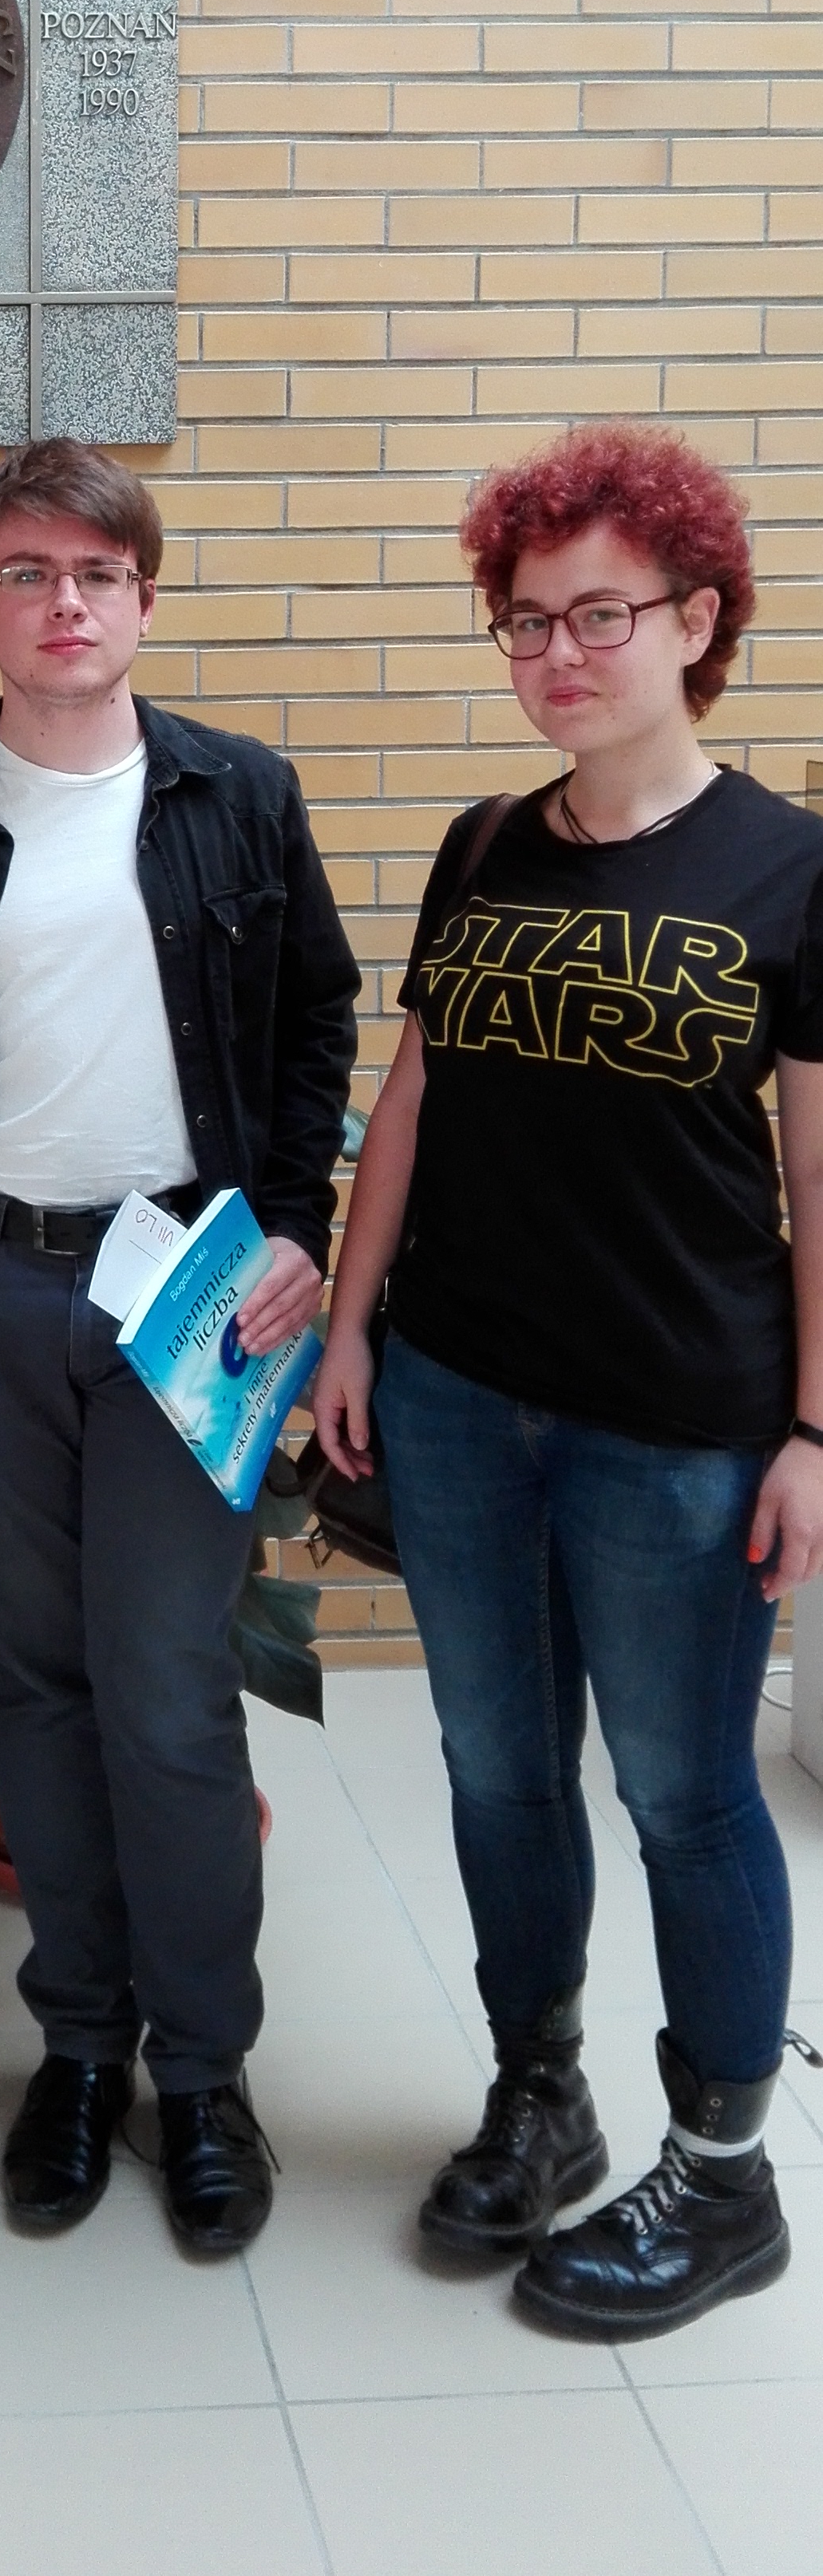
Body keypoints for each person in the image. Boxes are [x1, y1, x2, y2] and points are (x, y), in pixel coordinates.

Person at [312, 420, 823, 2340]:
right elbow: (411, 1099)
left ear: (695, 619)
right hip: (457, 1394)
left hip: (678, 1427)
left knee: (684, 1793)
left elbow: (816, 1173)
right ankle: (540, 2091)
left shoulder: (790, 869)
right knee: (496, 1768)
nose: (556, 654)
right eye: (525, 621)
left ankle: (723, 2174)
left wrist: (813, 1428)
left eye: (597, 614)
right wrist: (351, 1325)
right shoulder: (482, 845)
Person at [0, 438, 358, 2254]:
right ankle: (77, 2048)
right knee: (41, 1686)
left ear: (141, 597)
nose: (63, 604)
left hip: (185, 1295)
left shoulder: (236, 795)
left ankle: (201, 2074)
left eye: (96, 574)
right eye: (27, 572)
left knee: (164, 1688)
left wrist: (292, 1218)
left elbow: (314, 1015)